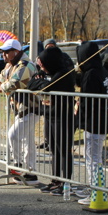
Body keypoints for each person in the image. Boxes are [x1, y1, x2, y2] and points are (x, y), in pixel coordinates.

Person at [0, 38, 40, 185]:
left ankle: (17, 165)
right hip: (21, 108)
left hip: (30, 107)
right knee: (27, 140)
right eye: (3, 52)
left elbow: (15, 83)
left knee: (13, 135)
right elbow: (1, 76)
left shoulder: (25, 65)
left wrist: (1, 86)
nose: (4, 55)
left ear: (16, 52)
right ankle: (31, 173)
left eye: (7, 52)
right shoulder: (10, 65)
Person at [33, 46, 76, 195]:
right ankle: (55, 180)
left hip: (62, 117)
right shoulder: (47, 73)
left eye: (44, 64)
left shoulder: (63, 74)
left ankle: (66, 183)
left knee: (63, 150)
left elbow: (46, 88)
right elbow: (32, 85)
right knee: (53, 149)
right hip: (49, 116)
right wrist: (40, 79)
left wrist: (41, 82)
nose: (42, 68)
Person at [75, 40, 108, 204]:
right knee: (93, 157)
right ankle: (93, 187)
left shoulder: (91, 74)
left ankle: (96, 191)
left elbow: (87, 101)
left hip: (95, 122)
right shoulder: (101, 70)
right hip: (101, 120)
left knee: (93, 158)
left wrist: (78, 112)